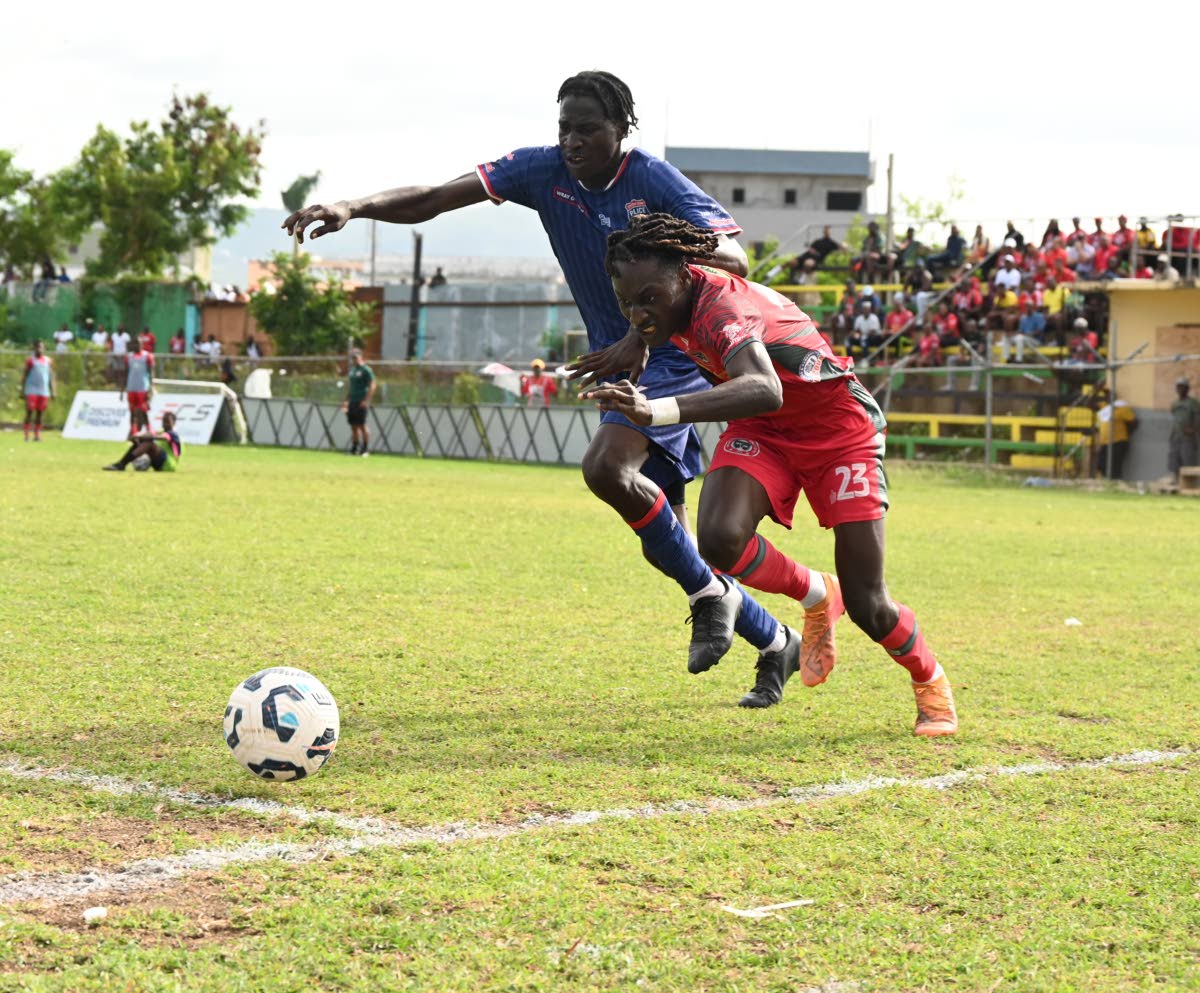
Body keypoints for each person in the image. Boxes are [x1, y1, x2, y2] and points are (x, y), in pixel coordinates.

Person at [282, 70, 805, 706]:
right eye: (564, 128)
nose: (573, 140)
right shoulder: (540, 171)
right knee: (663, 536)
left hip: (672, 350)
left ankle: (715, 599)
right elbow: (436, 197)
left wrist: (645, 321)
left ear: (621, 130)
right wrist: (350, 207)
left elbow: (733, 257)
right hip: (620, 359)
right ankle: (774, 639)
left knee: (607, 468)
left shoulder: (653, 179)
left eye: (588, 128)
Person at [585, 214, 959, 737]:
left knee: (871, 604)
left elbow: (765, 387)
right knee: (717, 540)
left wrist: (654, 410)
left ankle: (930, 679)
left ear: (687, 273)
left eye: (649, 299)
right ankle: (817, 595)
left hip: (836, 430)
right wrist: (638, 332)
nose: (640, 312)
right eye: (628, 303)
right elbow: (655, 303)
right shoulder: (676, 294)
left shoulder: (723, 308)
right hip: (766, 431)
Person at [103, 411, 182, 472]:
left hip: (169, 465)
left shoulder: (173, 434)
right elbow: (149, 433)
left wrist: (140, 436)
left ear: (174, 423)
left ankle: (122, 464)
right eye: (164, 421)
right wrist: (137, 438)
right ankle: (121, 464)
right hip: (159, 464)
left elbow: (161, 437)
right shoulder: (161, 431)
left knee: (149, 443)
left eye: (168, 422)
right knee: (142, 440)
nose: (165, 424)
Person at [1093, 387, 1136, 480]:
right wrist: (1095, 392)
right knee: (1100, 464)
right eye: (1105, 396)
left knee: (1115, 466)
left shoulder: (1121, 408)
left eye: (1109, 395)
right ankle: (1107, 481)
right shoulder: (1104, 408)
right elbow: (1087, 404)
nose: (1106, 397)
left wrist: (1127, 434)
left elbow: (1134, 422)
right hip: (1105, 442)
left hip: (1118, 441)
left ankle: (1116, 484)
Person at [343, 348, 376, 456]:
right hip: (353, 400)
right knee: (353, 425)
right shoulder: (352, 370)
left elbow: (372, 385)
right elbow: (350, 387)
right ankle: (354, 448)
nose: (354, 359)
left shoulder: (366, 369)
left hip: (361, 401)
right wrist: (346, 400)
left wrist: (366, 400)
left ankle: (365, 449)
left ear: (361, 357)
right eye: (352, 357)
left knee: (362, 425)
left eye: (356, 357)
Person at [21, 340, 54, 442]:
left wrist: (53, 390)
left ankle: (37, 435)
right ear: (34, 348)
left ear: (44, 348)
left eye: (41, 347)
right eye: (38, 347)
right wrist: (22, 390)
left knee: (40, 413)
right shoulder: (31, 361)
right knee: (29, 412)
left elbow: (51, 376)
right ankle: (26, 435)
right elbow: (25, 375)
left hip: (44, 391)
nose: (39, 349)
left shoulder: (48, 361)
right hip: (31, 390)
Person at [122, 339, 155, 435]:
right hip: (131, 387)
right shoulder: (129, 357)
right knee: (132, 410)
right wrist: (122, 388)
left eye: (138, 343)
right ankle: (133, 430)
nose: (136, 345)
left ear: (142, 344)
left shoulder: (147, 356)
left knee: (143, 410)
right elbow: (125, 372)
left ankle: (149, 429)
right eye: (135, 343)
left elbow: (151, 372)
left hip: (142, 388)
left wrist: (151, 386)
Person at [1169, 377, 1199, 482]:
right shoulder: (1175, 403)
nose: (1179, 389)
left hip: (1188, 438)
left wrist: (1194, 429)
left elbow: (1197, 419)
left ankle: (1189, 484)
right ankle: (1175, 482)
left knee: (1188, 460)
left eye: (1182, 387)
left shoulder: (1193, 403)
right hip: (1176, 436)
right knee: (1174, 459)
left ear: (1187, 389)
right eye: (1178, 387)